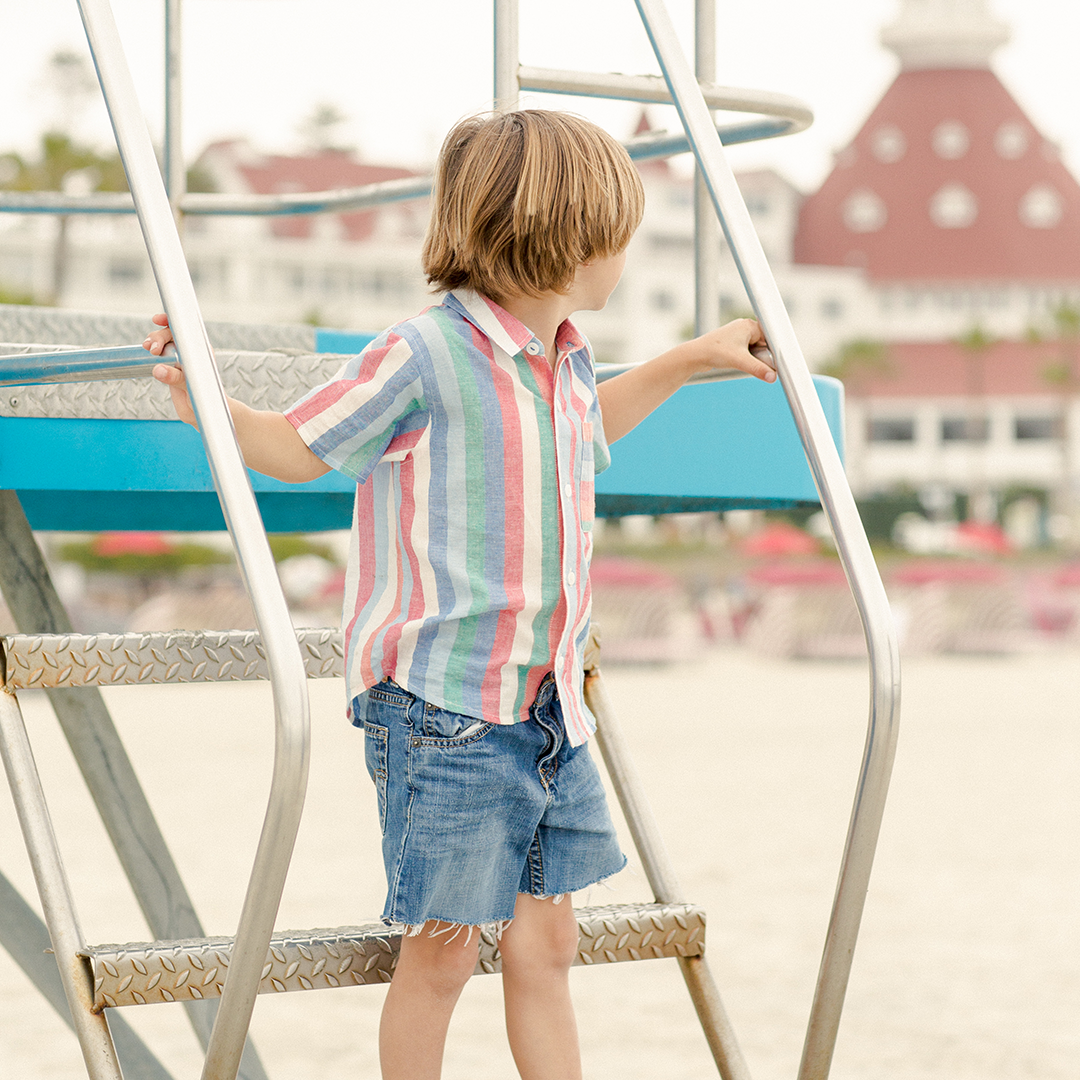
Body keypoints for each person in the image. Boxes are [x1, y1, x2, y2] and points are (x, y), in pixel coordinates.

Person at [144, 109, 775, 1080]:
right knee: (440, 952)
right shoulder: (425, 353)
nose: (626, 253)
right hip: (446, 712)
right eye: (621, 234)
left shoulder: (560, 357)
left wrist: (692, 358)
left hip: (547, 705)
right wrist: (203, 396)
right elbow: (299, 448)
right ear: (570, 235)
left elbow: (588, 425)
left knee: (547, 946)